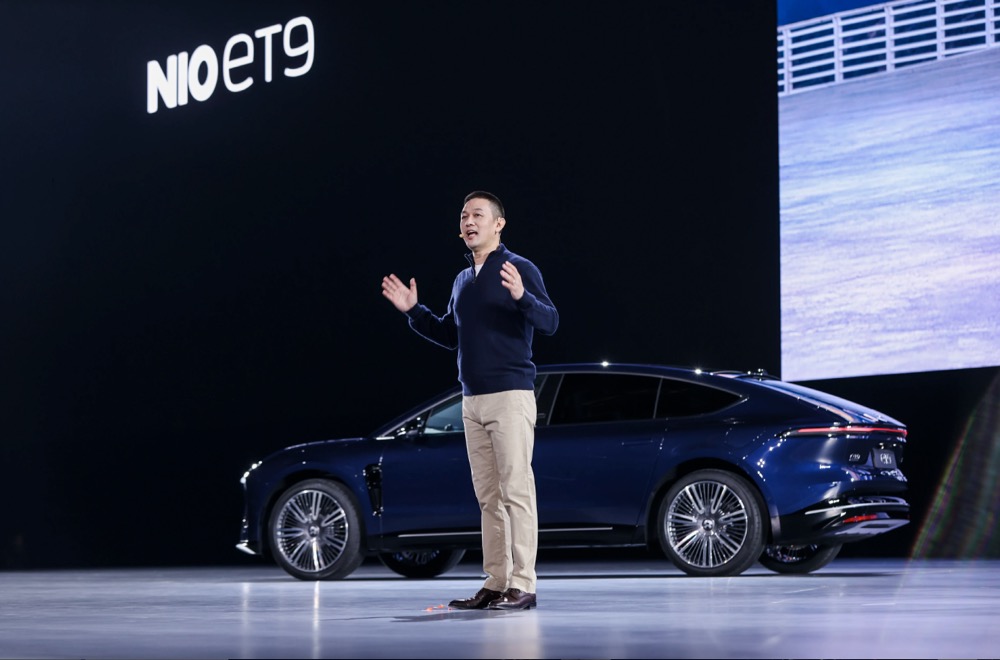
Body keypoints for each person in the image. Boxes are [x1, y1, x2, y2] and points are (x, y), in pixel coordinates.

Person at [381, 191, 559, 611]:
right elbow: (450, 335)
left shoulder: (519, 268)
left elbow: (550, 321)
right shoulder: (463, 280)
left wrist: (523, 297)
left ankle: (524, 584)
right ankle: (496, 582)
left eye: (478, 214)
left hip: (510, 395)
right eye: (464, 216)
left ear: (499, 224)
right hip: (472, 401)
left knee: (517, 491)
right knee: (488, 498)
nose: (469, 221)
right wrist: (414, 311)